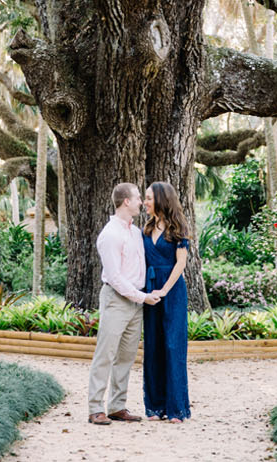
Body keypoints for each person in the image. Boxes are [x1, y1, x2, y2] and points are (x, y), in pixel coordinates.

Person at [87, 181, 158, 427]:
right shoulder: (110, 234)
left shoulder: (136, 232)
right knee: (105, 354)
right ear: (126, 201)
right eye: (138, 197)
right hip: (117, 300)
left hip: (136, 302)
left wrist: (144, 295)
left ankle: (117, 406)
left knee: (126, 356)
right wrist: (142, 297)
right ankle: (95, 408)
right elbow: (115, 277)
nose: (141, 201)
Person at [141, 180, 193, 423]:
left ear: (161, 199)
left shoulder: (178, 228)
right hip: (149, 291)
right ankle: (155, 406)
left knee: (173, 346)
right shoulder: (146, 229)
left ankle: (176, 408)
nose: (145, 202)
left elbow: (181, 264)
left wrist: (163, 290)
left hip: (171, 291)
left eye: (149, 198)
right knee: (153, 346)